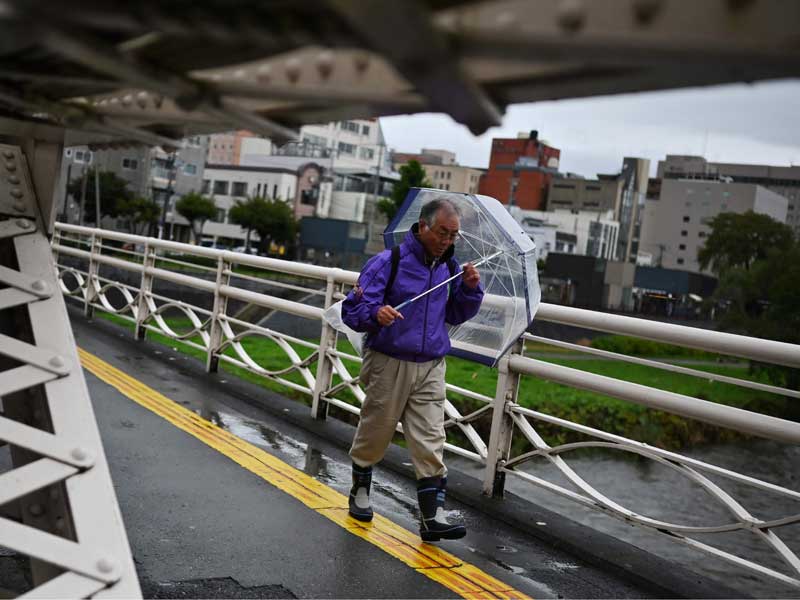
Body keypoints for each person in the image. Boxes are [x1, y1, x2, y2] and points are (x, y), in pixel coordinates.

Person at [341, 198, 483, 541]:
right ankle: (360, 490)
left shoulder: (450, 268)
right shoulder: (387, 262)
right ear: (422, 227)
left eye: (453, 235)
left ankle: (432, 517)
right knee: (376, 430)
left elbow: (455, 314)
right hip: (389, 360)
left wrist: (469, 290)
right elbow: (352, 310)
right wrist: (376, 314)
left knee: (432, 438)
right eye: (442, 233)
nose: (447, 241)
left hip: (431, 365)